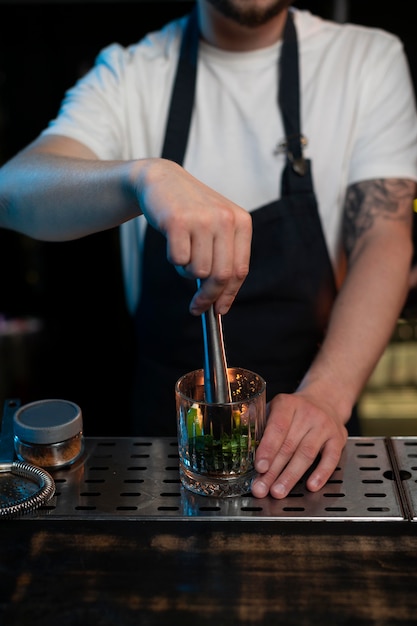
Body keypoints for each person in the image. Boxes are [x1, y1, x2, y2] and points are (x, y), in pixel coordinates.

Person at [0, 0, 416, 500]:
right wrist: (143, 178)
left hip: (315, 433)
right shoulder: (131, 73)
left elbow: (384, 239)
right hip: (160, 456)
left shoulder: (365, 59)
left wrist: (327, 397)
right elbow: (12, 190)